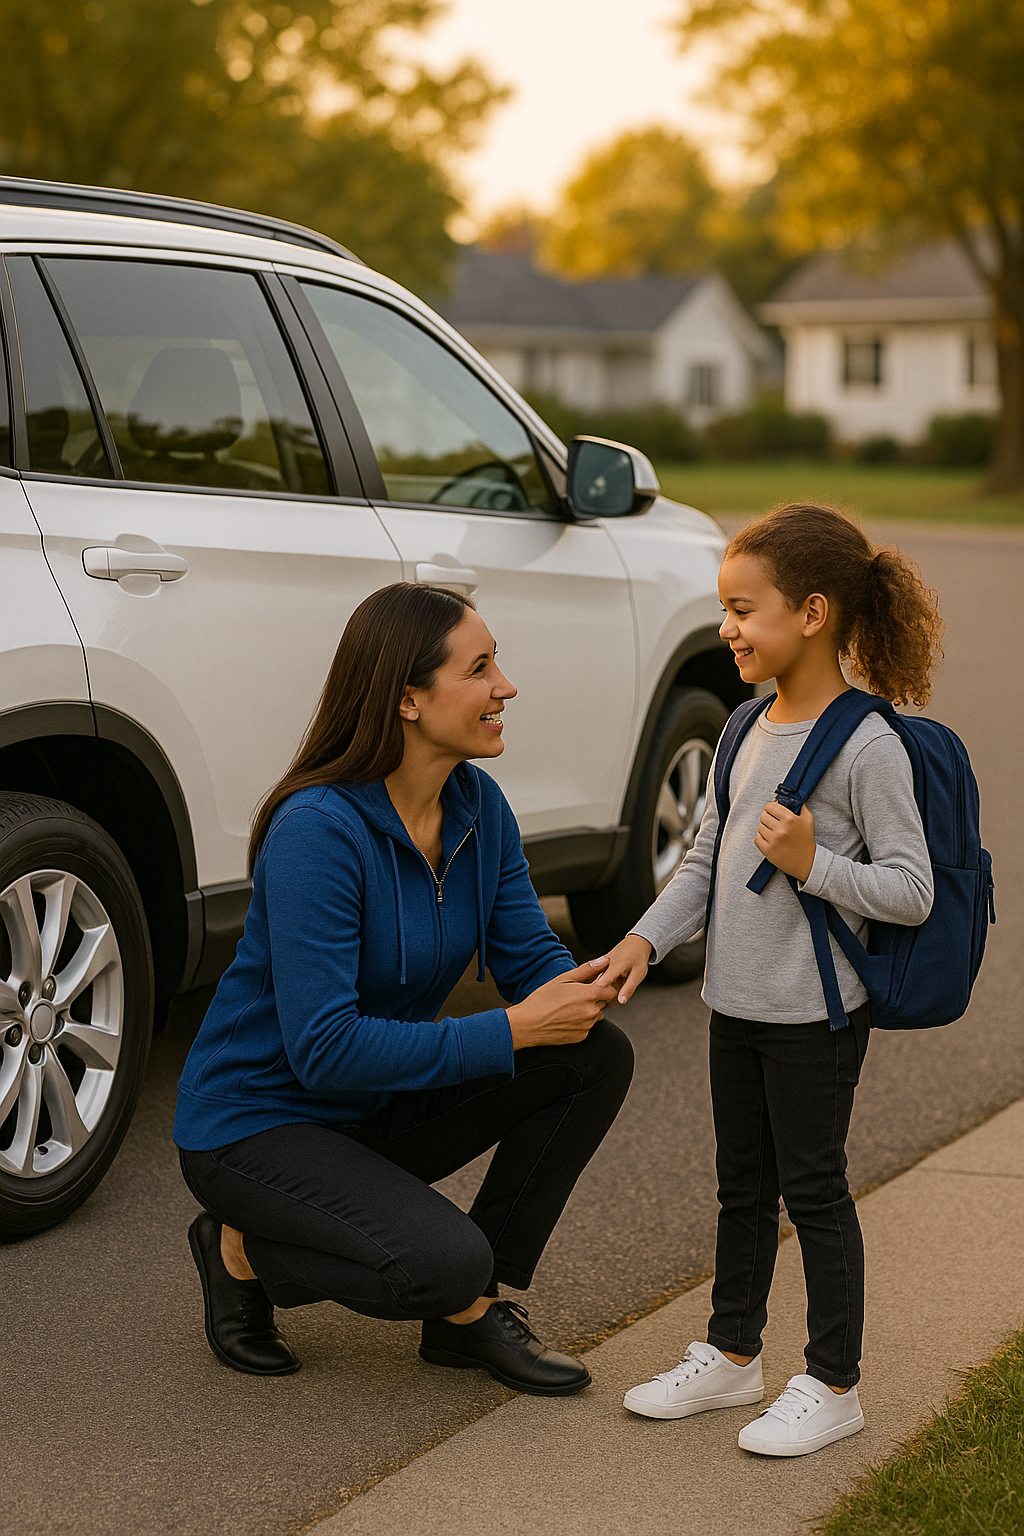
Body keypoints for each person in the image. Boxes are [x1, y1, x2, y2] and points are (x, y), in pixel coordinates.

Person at [174, 583, 633, 1395]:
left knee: (594, 1056)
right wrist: (515, 1030)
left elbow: (531, 960)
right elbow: (322, 1050)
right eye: (481, 668)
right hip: (256, 1126)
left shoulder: (476, 807)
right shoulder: (318, 830)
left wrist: (604, 972)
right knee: (441, 1260)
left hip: (370, 1107)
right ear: (408, 699)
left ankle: (469, 1311)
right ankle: (239, 1246)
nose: (507, 688)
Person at [599, 504, 943, 1456]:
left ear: (815, 613)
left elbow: (910, 891)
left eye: (745, 610)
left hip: (817, 1014)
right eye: (726, 609)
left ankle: (834, 1383)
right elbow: (707, 857)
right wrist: (644, 941)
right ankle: (731, 1355)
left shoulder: (866, 744)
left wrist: (810, 862)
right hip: (734, 1005)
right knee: (739, 1189)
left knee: (816, 1193)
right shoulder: (747, 723)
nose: (728, 629)